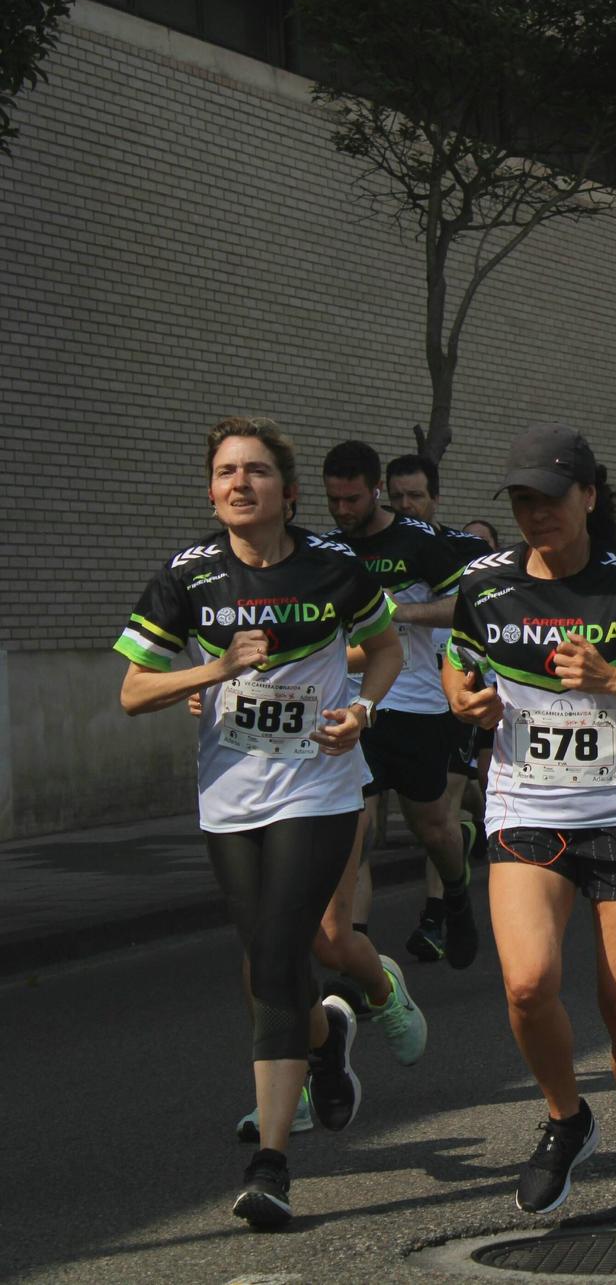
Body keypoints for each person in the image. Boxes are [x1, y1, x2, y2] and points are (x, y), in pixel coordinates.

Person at [116, 417, 403, 1228]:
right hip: (229, 797)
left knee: (281, 945)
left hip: (318, 785)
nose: (238, 483)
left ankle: (272, 1163)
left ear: (288, 491)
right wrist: (215, 666)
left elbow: (384, 648)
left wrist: (364, 709)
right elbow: (134, 690)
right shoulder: (188, 574)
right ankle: (327, 1036)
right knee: (266, 962)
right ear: (211, 490)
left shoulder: (333, 566)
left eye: (255, 471)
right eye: (224, 472)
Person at [443, 423, 616, 1221]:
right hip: (525, 803)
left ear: (589, 496)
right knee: (528, 984)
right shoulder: (486, 583)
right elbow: (458, 663)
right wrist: (465, 696)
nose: (536, 514)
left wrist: (615, 678)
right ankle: (568, 1119)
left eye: (551, 497)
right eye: (522, 500)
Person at [322, 442, 481, 966]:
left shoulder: (421, 541)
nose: (343, 512)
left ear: (372, 493)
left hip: (417, 704)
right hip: (348, 706)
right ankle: (356, 950)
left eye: (351, 500)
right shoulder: (327, 550)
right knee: (355, 831)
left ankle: (455, 896)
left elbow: (467, 606)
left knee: (434, 826)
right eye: (334, 501)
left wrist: (402, 615)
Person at [383, 451, 496, 961]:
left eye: (416, 496)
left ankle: (435, 916)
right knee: (448, 802)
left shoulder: (462, 549)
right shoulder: (371, 547)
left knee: (446, 799)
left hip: (455, 690)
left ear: (436, 497)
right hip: (392, 699)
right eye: (398, 497)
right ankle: (476, 827)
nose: (406, 506)